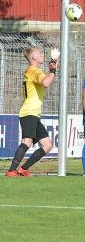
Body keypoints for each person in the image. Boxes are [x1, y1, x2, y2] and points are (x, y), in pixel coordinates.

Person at [5, 47, 58, 177]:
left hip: (33, 113)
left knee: (47, 145)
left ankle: (23, 169)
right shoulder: (33, 70)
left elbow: (45, 78)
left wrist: (53, 62)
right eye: (39, 53)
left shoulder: (33, 71)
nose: (42, 54)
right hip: (29, 112)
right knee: (27, 141)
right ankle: (12, 171)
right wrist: (53, 70)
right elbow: (46, 82)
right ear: (33, 56)